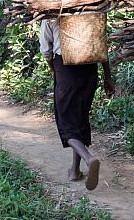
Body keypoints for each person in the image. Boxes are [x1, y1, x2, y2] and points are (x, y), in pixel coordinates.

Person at [40, 17, 115, 190]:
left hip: (66, 69)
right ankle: (74, 170)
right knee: (80, 117)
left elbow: (46, 49)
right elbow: (101, 45)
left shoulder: (51, 14)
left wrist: (54, 71)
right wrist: (107, 77)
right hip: (90, 69)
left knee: (66, 122)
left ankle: (89, 159)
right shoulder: (91, 9)